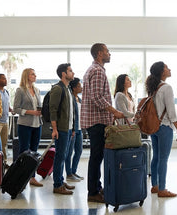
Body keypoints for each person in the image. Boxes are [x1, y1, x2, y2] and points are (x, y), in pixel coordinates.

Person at [81, 43, 124, 203]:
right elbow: (97, 97)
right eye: (107, 51)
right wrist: (114, 112)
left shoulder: (93, 70)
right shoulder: (98, 71)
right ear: (99, 54)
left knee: (96, 157)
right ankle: (93, 192)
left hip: (95, 120)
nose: (109, 54)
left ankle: (97, 188)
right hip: (97, 121)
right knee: (96, 157)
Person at [145, 61, 177, 197]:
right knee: (163, 159)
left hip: (154, 127)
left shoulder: (153, 88)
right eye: (167, 67)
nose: (169, 69)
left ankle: (155, 185)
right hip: (165, 127)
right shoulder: (166, 88)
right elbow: (171, 111)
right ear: (162, 72)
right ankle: (162, 189)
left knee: (156, 157)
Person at [13, 68, 43, 187]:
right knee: (24, 152)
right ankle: (21, 178)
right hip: (25, 124)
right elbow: (16, 109)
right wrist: (30, 112)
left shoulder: (36, 90)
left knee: (34, 152)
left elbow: (38, 106)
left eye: (35, 74)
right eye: (32, 74)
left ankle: (32, 177)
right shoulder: (20, 90)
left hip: (37, 124)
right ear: (26, 76)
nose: (35, 76)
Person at [50, 63, 76, 194]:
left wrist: (72, 129)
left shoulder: (68, 89)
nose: (73, 73)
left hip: (68, 128)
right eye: (70, 71)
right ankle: (57, 185)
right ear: (63, 74)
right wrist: (54, 129)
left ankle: (60, 180)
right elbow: (53, 110)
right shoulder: (58, 89)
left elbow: (71, 111)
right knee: (60, 156)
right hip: (60, 128)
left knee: (64, 155)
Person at [65, 77, 84, 182]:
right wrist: (72, 129)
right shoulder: (71, 98)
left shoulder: (80, 99)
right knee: (69, 152)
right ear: (74, 87)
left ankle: (73, 171)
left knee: (79, 151)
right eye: (79, 86)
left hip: (80, 129)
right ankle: (68, 173)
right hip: (73, 129)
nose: (81, 88)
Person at [0, 73, 13, 169]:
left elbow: (6, 104)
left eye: (5, 78)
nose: (5, 80)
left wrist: (11, 109)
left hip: (5, 121)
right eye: (3, 79)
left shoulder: (6, 92)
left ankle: (4, 162)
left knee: (4, 143)